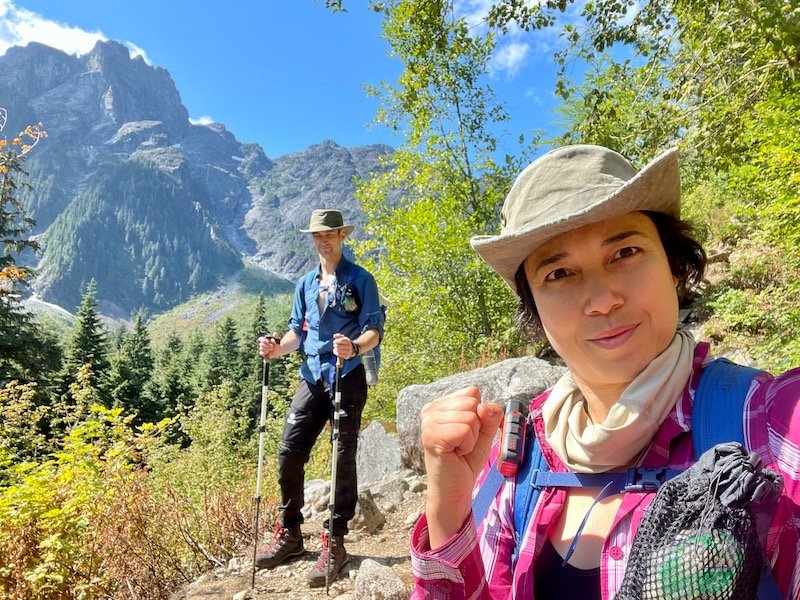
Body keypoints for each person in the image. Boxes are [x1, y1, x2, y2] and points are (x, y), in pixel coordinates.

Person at [409, 145, 800, 599]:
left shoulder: (769, 422)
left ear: (674, 265)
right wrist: (448, 513)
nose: (601, 300)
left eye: (625, 251)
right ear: (534, 307)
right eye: (558, 274)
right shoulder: (518, 454)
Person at [255, 208, 384, 588]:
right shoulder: (305, 283)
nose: (323, 240)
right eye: (317, 235)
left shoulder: (361, 280)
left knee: (342, 456)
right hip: (312, 376)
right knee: (289, 451)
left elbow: (374, 330)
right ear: (312, 238)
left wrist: (354, 347)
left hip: (347, 374)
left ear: (342, 235)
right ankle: (291, 534)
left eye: (330, 234)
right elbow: (297, 331)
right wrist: (277, 349)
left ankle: (336, 541)